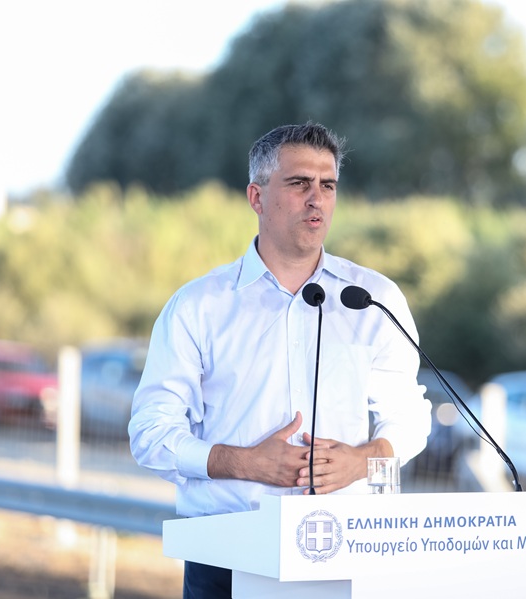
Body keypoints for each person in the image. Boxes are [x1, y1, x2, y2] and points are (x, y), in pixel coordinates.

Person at [128, 122, 432, 599]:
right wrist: (243, 463)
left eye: (327, 185)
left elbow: (410, 420)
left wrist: (363, 462)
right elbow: (150, 433)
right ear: (257, 197)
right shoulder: (198, 306)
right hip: (226, 551)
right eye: (299, 183)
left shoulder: (374, 299)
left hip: (349, 551)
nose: (316, 199)